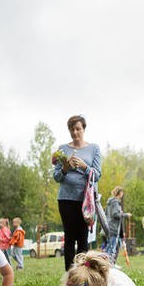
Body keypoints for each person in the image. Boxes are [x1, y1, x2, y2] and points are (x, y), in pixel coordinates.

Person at [53, 115, 102, 271]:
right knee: (69, 238)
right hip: (66, 198)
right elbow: (56, 177)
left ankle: (83, 272)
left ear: (83, 129)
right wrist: (65, 169)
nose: (75, 132)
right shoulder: (62, 149)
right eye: (72, 129)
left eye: (78, 129)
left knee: (82, 238)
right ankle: (69, 274)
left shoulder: (94, 148)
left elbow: (97, 175)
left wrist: (83, 166)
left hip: (85, 200)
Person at [106, 186, 130, 263]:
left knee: (113, 246)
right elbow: (115, 214)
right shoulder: (115, 202)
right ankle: (109, 264)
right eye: (122, 192)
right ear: (119, 193)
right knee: (112, 247)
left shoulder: (110, 202)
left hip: (110, 226)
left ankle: (111, 263)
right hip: (114, 227)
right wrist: (125, 214)